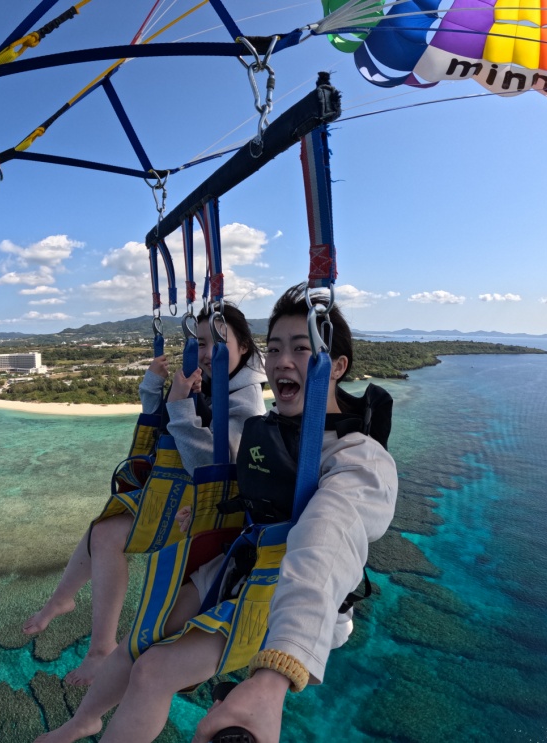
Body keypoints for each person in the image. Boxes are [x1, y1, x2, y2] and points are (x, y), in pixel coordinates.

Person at [32, 283, 398, 742]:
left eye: (301, 349)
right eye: (275, 348)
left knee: (153, 672)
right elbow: (248, 491)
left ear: (336, 366)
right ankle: (84, 720)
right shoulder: (273, 430)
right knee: (140, 640)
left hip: (287, 599)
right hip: (240, 564)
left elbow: (327, 542)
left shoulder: (357, 458)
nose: (282, 361)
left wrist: (278, 670)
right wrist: (200, 515)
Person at [22, 304, 266, 685]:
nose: (207, 353)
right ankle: (62, 600)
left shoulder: (247, 402)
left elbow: (212, 464)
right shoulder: (213, 382)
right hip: (179, 495)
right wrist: (155, 386)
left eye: (218, 342)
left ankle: (101, 648)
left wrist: (181, 405)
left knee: (107, 535)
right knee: (102, 527)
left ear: (245, 347)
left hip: (204, 512)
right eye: (201, 343)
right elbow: (164, 425)